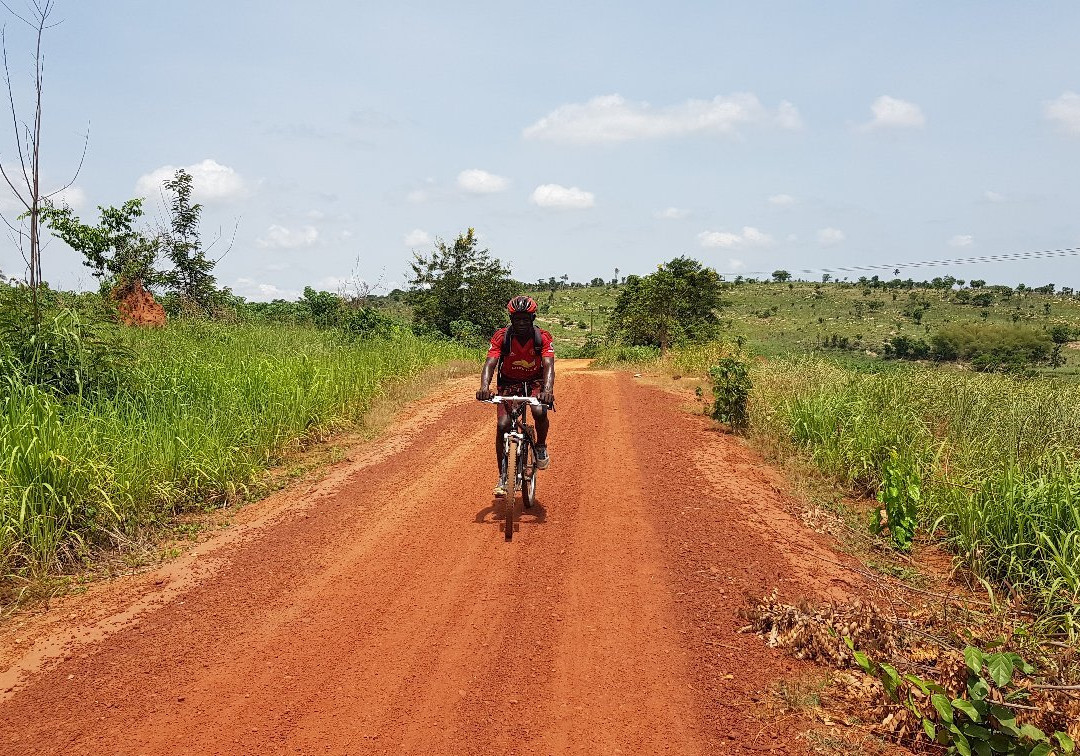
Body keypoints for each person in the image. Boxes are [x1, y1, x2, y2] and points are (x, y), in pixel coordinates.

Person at [475, 295, 555, 497]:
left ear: (533, 318)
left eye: (525, 319)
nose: (521, 323)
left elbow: (548, 366)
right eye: (517, 319)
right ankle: (503, 476)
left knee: (539, 411)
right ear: (511, 319)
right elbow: (490, 364)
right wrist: (484, 387)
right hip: (508, 384)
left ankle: (540, 446)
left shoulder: (542, 337)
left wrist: (547, 390)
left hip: (535, 383)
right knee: (502, 426)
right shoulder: (501, 337)